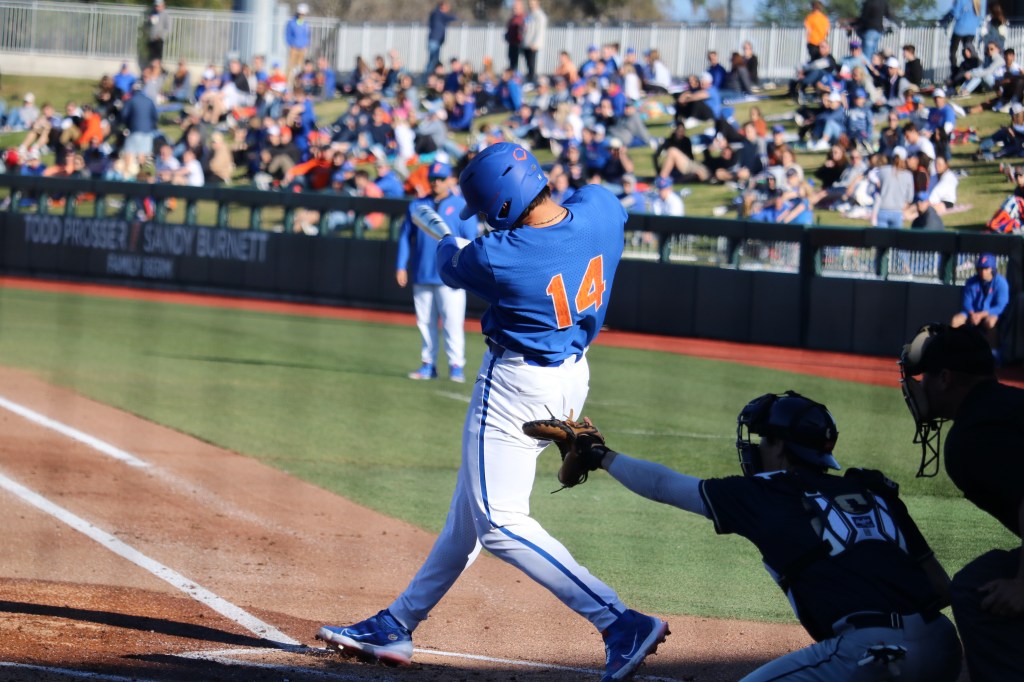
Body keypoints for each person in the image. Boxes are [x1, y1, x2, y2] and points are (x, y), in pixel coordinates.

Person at [317, 142, 669, 682]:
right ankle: (397, 623)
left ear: (501, 207)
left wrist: (461, 240)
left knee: (499, 521)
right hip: (573, 379)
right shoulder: (599, 206)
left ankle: (618, 620)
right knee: (471, 514)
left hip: (515, 389)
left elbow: (454, 261)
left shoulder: (496, 255)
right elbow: (573, 215)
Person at [566, 390, 962, 681]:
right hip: (945, 647)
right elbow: (942, 588)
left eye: (763, 440)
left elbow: (665, 486)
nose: (755, 449)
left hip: (873, 655)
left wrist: (599, 454)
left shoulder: (768, 493)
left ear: (781, 446)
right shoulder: (873, 489)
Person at [899, 323, 1024, 680]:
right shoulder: (1008, 404)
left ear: (945, 379)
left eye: (924, 377)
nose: (917, 386)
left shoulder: (971, 436)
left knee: (973, 591)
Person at [394, 161, 478, 382]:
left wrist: (465, 271)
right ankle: (428, 364)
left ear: (450, 179)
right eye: (433, 178)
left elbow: (471, 242)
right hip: (423, 271)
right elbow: (404, 236)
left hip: (451, 276)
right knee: (425, 322)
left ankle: (456, 366)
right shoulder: (418, 205)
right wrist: (401, 265)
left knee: (452, 322)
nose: (436, 182)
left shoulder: (462, 206)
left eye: (440, 178)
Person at [950, 253, 1010, 349]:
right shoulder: (971, 281)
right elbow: (966, 302)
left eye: (986, 269)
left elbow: (1001, 306)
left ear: (992, 269)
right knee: (956, 320)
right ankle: (952, 350)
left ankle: (992, 354)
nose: (983, 272)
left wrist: (981, 315)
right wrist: (973, 314)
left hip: (991, 314)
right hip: (972, 313)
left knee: (990, 323)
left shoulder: (1001, 283)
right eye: (980, 268)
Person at [941, 0, 982, 80]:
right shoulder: (977, 1)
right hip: (972, 30)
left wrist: (944, 20)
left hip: (960, 28)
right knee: (968, 52)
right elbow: (979, 17)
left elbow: (955, 13)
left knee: (953, 51)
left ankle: (955, 73)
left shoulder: (961, 0)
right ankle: (970, 71)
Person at [522, 0, 548, 86]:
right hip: (527, 43)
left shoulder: (540, 15)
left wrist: (536, 43)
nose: (530, 5)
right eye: (529, 3)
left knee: (532, 63)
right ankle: (529, 79)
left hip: (533, 44)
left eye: (532, 3)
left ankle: (533, 81)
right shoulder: (529, 15)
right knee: (528, 63)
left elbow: (540, 31)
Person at [285, 3, 311, 78]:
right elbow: (288, 34)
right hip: (294, 48)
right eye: (301, 14)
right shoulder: (292, 23)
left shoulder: (305, 24)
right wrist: (290, 44)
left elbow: (307, 35)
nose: (302, 16)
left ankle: (298, 83)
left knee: (300, 67)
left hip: (302, 48)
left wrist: (306, 45)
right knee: (291, 66)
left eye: (303, 14)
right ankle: (289, 83)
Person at [145, 0, 171, 65]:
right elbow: (148, 25)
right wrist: (149, 20)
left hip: (159, 40)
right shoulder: (152, 13)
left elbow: (168, 28)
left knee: (158, 57)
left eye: (159, 6)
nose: (157, 8)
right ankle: (151, 70)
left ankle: (158, 70)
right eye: (156, 6)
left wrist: (160, 36)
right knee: (151, 57)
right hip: (151, 39)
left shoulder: (166, 15)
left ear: (163, 6)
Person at [505, 0, 526, 73]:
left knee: (518, 62)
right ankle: (512, 74)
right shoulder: (512, 18)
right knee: (512, 62)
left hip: (519, 44)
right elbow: (508, 28)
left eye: (516, 6)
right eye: (514, 6)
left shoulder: (524, 17)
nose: (514, 8)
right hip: (511, 43)